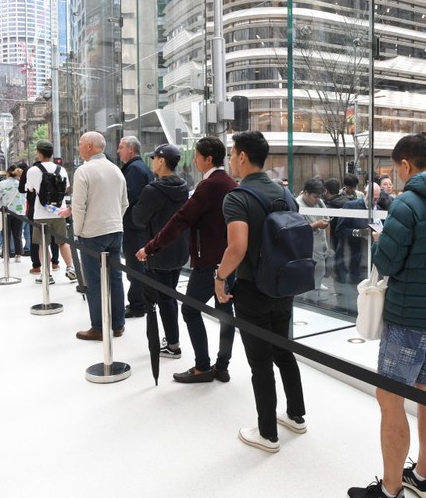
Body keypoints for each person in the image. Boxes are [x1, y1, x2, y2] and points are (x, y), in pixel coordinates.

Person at [348, 134, 426, 498]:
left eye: (396, 169)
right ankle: (423, 476)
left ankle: (390, 490)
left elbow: (386, 263)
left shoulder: (407, 204)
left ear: (405, 165)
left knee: (390, 400)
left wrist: (384, 238)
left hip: (408, 317)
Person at [214, 130, 306, 453]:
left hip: (253, 289)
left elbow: (236, 247)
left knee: (260, 363)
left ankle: (267, 433)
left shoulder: (237, 197)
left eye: (231, 154)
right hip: (284, 286)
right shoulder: (286, 194)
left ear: (241, 156)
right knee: (283, 350)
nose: (230, 161)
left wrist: (220, 276)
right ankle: (296, 415)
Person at [137, 136, 237, 384]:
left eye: (197, 156)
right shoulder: (230, 183)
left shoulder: (209, 185)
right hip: (228, 261)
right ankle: (222, 366)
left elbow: (181, 220)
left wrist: (150, 247)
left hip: (209, 262)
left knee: (191, 310)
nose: (194, 160)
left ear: (208, 158)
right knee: (226, 313)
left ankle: (203, 367)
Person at [64, 132, 128, 341]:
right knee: (115, 278)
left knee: (94, 280)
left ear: (90, 146)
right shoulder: (116, 169)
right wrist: (115, 220)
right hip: (115, 230)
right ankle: (118, 325)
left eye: (81, 144)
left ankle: (99, 327)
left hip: (92, 233)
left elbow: (79, 206)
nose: (78, 147)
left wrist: (77, 232)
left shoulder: (84, 171)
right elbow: (124, 203)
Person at [132, 144, 189, 360]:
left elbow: (138, 218)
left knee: (165, 298)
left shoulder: (152, 191)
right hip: (180, 248)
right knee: (170, 294)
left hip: (158, 250)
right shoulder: (184, 186)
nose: (152, 161)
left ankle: (173, 345)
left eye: (154, 157)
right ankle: (173, 339)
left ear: (162, 161)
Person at [25, 141, 76, 284]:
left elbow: (30, 189)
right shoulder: (61, 169)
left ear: (39, 153)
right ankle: (70, 267)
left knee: (43, 244)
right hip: (59, 212)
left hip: (41, 214)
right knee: (63, 242)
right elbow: (66, 187)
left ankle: (47, 275)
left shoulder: (33, 170)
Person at [117, 136, 155, 318]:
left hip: (134, 227)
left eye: (121, 147)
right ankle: (141, 302)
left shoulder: (133, 170)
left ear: (131, 149)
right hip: (140, 226)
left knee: (135, 267)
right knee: (139, 266)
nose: (118, 151)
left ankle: (138, 305)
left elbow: (129, 198)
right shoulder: (142, 168)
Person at [296, 177, 331, 303]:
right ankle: (306, 303)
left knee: (319, 273)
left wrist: (328, 243)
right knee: (305, 279)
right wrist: (316, 225)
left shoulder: (319, 203)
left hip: (319, 246)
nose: (317, 200)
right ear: (306, 193)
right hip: (305, 249)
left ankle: (314, 300)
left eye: (319, 197)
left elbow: (327, 221)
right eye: (315, 196)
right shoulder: (297, 205)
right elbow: (297, 229)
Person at [0, 165, 26, 261]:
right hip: (19, 212)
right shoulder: (21, 184)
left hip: (6, 212)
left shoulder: (2, 184)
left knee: (6, 234)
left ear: (8, 173)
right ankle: (18, 255)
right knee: (18, 235)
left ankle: (6, 255)